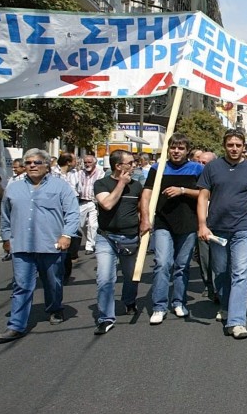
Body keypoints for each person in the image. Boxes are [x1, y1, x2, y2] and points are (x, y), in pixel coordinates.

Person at [0, 150, 79, 343]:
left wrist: (66, 235)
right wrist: (7, 238)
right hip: (22, 245)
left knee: (53, 282)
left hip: (51, 245)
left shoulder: (61, 187)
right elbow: (5, 216)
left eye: (36, 162)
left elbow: (72, 213)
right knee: (22, 285)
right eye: (28, 163)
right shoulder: (13, 188)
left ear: (47, 165)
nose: (32, 165)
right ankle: (16, 325)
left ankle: (55, 308)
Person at [197, 129, 247, 340]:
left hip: (243, 229)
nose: (234, 148)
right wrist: (202, 224)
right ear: (224, 146)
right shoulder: (212, 167)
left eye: (238, 145)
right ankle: (226, 306)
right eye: (230, 145)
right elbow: (203, 196)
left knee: (240, 273)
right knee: (220, 271)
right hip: (217, 229)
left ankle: (236, 321)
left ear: (244, 146)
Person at [140, 133, 204, 325]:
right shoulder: (157, 168)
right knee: (162, 263)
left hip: (188, 223)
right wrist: (144, 218)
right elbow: (146, 194)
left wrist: (183, 190)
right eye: (173, 147)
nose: (176, 151)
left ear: (187, 151)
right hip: (162, 222)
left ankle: (179, 302)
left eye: (181, 148)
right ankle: (159, 306)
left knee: (182, 266)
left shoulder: (197, 169)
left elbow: (205, 193)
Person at [93, 150, 148, 335]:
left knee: (131, 274)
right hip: (106, 237)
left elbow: (142, 208)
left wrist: (144, 223)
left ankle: (129, 301)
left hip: (130, 238)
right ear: (118, 166)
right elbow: (107, 204)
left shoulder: (137, 187)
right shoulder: (101, 184)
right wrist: (121, 184)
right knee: (105, 278)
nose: (134, 166)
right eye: (130, 163)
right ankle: (106, 318)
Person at [194, 151, 217, 301]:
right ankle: (209, 285)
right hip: (201, 222)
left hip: (218, 222)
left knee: (219, 259)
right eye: (199, 162)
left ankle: (218, 288)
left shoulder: (218, 176)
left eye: (205, 163)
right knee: (204, 258)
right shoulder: (194, 176)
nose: (201, 165)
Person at [69, 154, 102, 253]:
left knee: (93, 225)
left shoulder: (101, 174)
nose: (87, 164)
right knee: (80, 224)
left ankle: (90, 246)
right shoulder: (78, 174)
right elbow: (71, 186)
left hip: (94, 202)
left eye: (89, 162)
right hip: (81, 202)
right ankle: (89, 239)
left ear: (94, 163)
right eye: (86, 162)